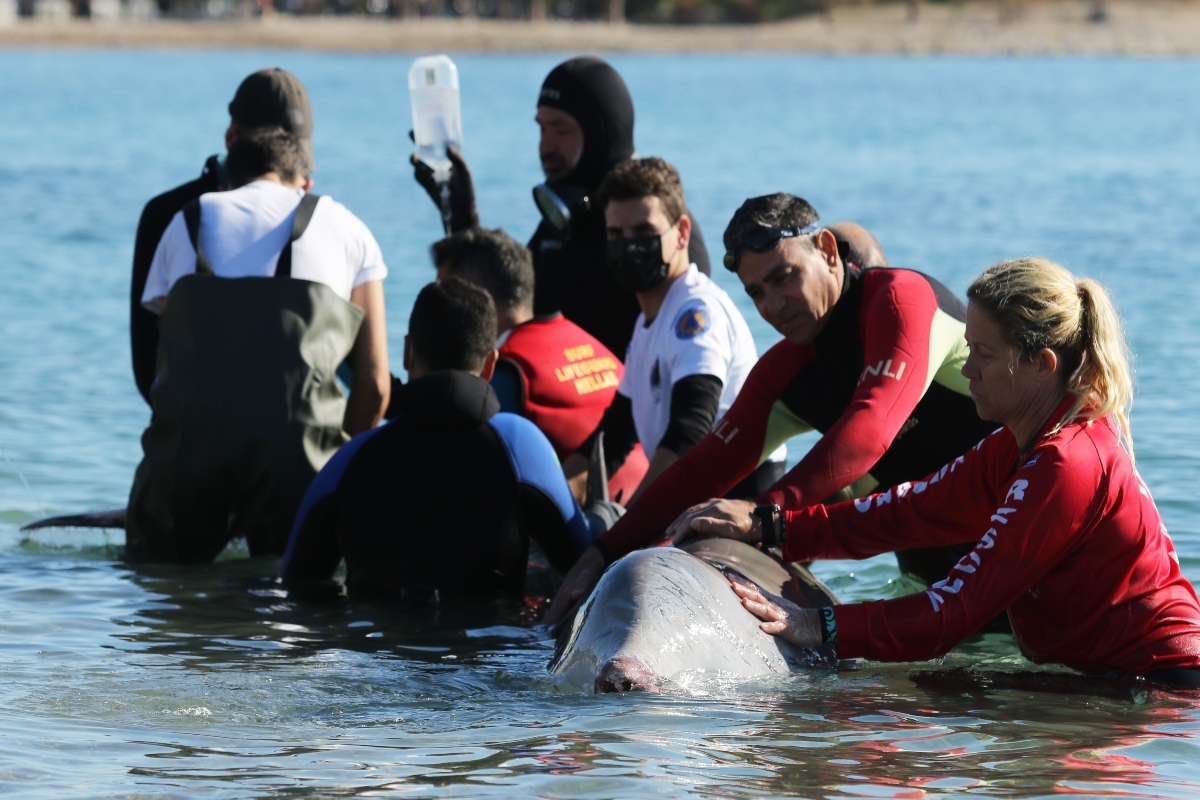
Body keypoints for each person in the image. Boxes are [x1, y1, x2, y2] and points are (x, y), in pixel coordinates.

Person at [690, 258, 1200, 687]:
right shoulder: (1015, 446)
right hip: (1101, 678)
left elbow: (954, 611)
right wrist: (775, 528)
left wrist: (815, 623)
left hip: (1164, 687)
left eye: (983, 353)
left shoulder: (1067, 465)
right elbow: (907, 512)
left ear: (1042, 364)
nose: (967, 369)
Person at [544, 192, 998, 624]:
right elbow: (699, 470)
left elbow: (868, 430)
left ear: (827, 251)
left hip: (1020, 529)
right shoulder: (787, 369)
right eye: (756, 292)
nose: (773, 305)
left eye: (784, 277)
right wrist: (603, 552)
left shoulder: (900, 300)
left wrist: (763, 516)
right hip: (934, 568)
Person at [126, 127, 390, 563]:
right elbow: (377, 384)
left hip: (188, 462)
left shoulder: (188, 219)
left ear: (229, 181)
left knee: (168, 601)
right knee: (297, 604)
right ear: (303, 182)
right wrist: (337, 479)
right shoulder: (348, 227)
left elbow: (168, 360)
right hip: (300, 466)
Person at [280, 278, 613, 601]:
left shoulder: (351, 458)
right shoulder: (521, 445)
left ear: (408, 353)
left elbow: (295, 580)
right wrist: (602, 517)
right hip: (493, 647)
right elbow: (582, 561)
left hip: (382, 647)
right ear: (490, 365)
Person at [412, 55, 711, 358]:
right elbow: (498, 311)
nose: (545, 146)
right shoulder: (563, 222)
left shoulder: (663, 234)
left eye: (561, 130)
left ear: (600, 134)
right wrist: (461, 215)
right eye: (542, 130)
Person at [561, 158, 787, 507]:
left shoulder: (697, 313)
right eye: (616, 234)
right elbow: (613, 439)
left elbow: (690, 432)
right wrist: (546, 500)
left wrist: (629, 524)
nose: (629, 244)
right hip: (698, 498)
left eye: (644, 232)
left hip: (744, 500)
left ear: (682, 233)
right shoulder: (647, 325)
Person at [131, 67, 315, 406]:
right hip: (273, 431)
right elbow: (148, 363)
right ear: (232, 139)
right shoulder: (168, 215)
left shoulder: (317, 219)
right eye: (278, 160)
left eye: (299, 162)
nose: (298, 180)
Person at [431, 227, 650, 501]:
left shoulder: (505, 371)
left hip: (600, 524)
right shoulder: (585, 340)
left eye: (444, 296)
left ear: (472, 300)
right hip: (651, 502)